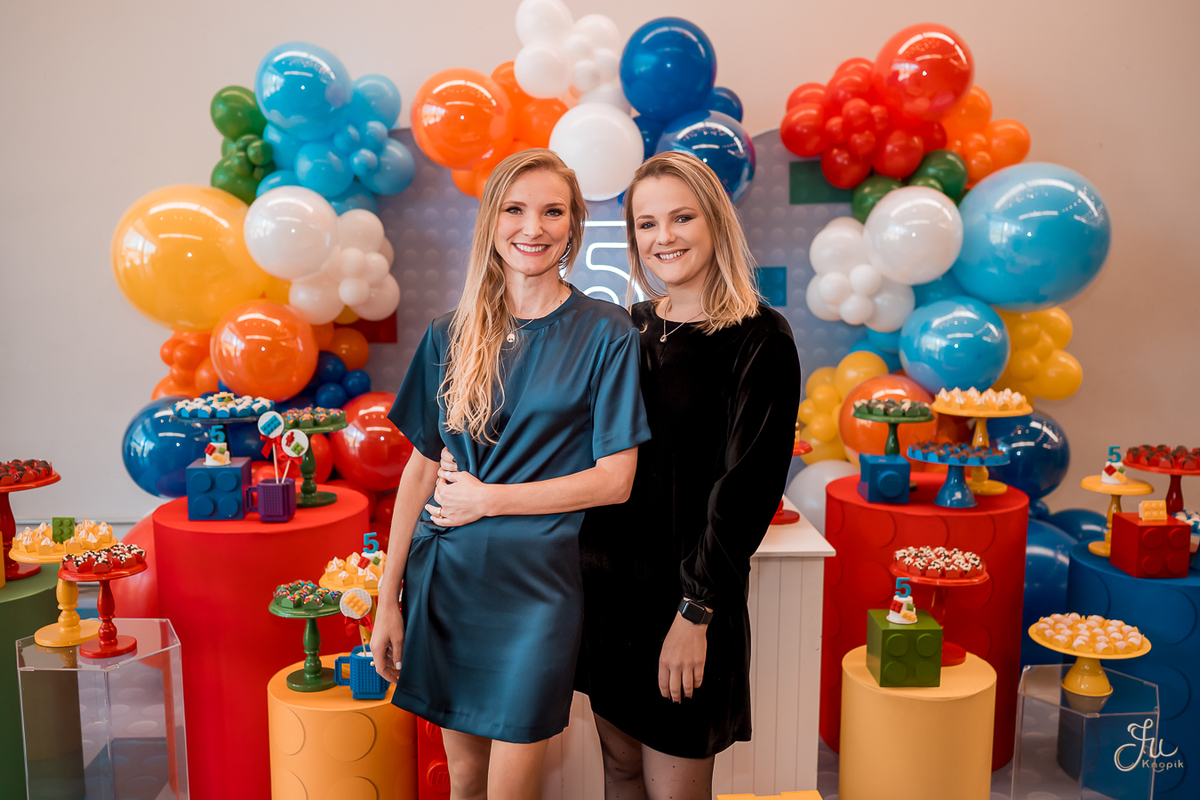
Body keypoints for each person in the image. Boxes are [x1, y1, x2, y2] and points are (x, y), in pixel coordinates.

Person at [436, 151, 802, 799]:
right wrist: (464, 456)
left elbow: (745, 493)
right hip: (606, 597)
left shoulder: (759, 339)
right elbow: (559, 431)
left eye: (682, 218)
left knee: (673, 788)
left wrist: (696, 612)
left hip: (685, 605)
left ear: (716, 221)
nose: (664, 237)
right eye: (646, 224)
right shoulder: (632, 327)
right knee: (622, 773)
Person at [372, 148, 651, 800]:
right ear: (491, 221)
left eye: (553, 211)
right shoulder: (449, 333)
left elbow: (615, 480)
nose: (534, 227)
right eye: (515, 209)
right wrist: (388, 598)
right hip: (447, 579)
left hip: (539, 591)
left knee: (512, 789)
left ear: (573, 225)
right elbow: (419, 470)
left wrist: (489, 500)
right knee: (465, 781)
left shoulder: (607, 331)